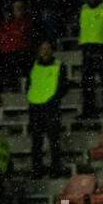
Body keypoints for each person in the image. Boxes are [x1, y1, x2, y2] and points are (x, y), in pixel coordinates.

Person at [26, 40, 66, 178]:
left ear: (52, 51)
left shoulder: (59, 65)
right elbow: (29, 85)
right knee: (36, 142)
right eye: (43, 48)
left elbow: (63, 86)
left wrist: (53, 99)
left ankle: (55, 170)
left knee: (53, 141)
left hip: (51, 108)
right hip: (35, 108)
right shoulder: (34, 65)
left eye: (48, 48)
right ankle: (37, 170)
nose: (45, 51)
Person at [0, 1, 38, 93]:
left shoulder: (29, 23)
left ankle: (25, 87)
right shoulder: (6, 24)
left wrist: (12, 39)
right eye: (16, 8)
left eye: (20, 7)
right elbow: (0, 38)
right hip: (8, 53)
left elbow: (26, 40)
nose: (18, 10)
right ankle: (9, 87)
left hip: (23, 53)